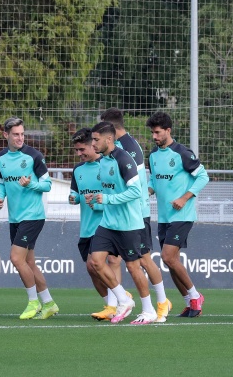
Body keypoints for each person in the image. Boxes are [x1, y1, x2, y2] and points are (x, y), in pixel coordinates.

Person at [100, 108, 171, 319]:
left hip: (136, 213)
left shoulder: (128, 147)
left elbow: (133, 185)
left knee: (144, 260)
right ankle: (116, 304)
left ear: (111, 129)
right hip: (120, 214)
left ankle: (162, 302)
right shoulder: (120, 146)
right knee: (115, 260)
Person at [87, 122, 155, 324]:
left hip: (129, 225)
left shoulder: (124, 159)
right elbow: (110, 190)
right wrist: (97, 199)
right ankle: (124, 300)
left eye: (96, 140)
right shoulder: (103, 161)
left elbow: (135, 192)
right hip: (108, 223)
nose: (93, 144)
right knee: (95, 261)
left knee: (134, 267)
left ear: (109, 139)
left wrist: (107, 199)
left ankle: (149, 310)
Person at [145, 112, 209, 321]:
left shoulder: (182, 153)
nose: (154, 137)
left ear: (168, 130)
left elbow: (203, 176)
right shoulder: (153, 155)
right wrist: (145, 193)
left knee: (167, 257)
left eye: (157, 132)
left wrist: (184, 198)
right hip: (164, 217)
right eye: (152, 133)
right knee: (171, 261)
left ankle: (196, 296)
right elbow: (154, 181)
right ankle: (189, 302)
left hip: (182, 214)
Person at [0, 117, 59, 320]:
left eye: (22, 134)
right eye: (16, 134)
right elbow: (2, 183)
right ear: (6, 135)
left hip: (33, 216)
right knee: (29, 262)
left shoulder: (34, 156)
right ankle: (49, 303)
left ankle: (33, 302)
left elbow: (47, 185)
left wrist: (30, 184)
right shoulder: (1, 158)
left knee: (16, 258)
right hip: (15, 218)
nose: (20, 138)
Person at [69, 128, 126, 321]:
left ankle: (115, 305)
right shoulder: (78, 170)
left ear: (93, 145)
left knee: (111, 262)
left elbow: (117, 195)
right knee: (92, 268)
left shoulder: (107, 165)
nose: (79, 154)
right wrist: (73, 198)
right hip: (87, 227)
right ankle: (115, 300)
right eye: (77, 150)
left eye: (82, 149)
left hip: (108, 224)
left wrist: (100, 203)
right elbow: (76, 194)